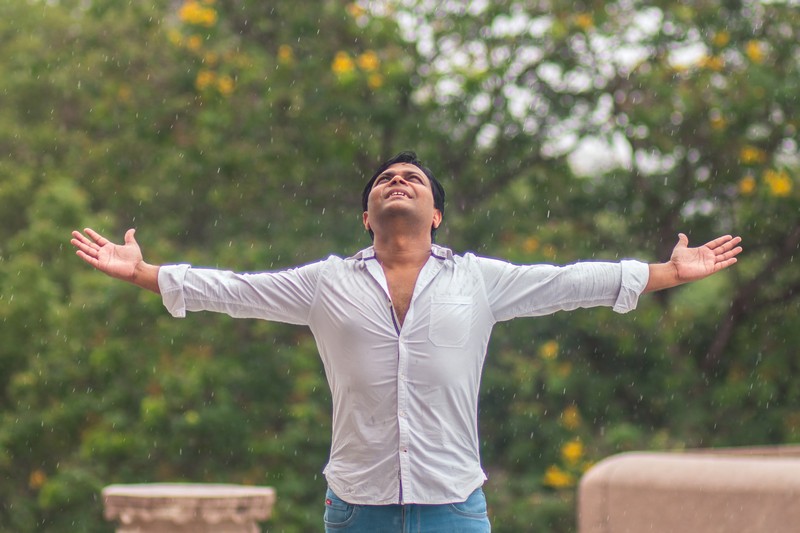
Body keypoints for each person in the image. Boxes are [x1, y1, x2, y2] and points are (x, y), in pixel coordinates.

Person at [71, 151, 742, 533]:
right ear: (366, 216)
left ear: (436, 214)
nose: (398, 181)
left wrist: (666, 274)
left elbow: (571, 281)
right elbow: (235, 290)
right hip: (355, 507)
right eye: (385, 180)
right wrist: (144, 273)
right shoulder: (325, 282)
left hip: (454, 504)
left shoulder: (478, 280)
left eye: (412, 179)